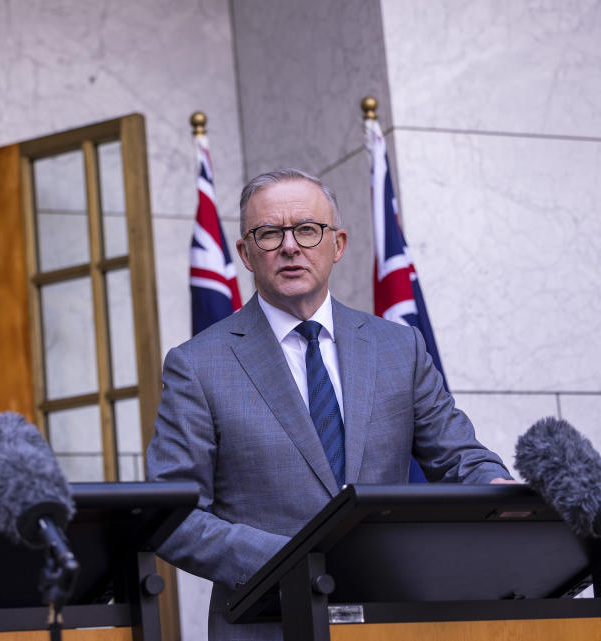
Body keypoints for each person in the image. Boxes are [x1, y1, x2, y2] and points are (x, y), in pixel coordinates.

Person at [146, 169, 511, 640]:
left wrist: (500, 490)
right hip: (269, 623)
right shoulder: (197, 366)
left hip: (391, 620)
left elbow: (459, 457)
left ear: (337, 244)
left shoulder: (400, 348)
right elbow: (173, 516)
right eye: (269, 233)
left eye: (307, 229)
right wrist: (297, 559)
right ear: (245, 254)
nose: (290, 246)